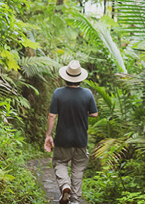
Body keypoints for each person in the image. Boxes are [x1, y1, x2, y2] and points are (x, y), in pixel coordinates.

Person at [44, 60, 98, 204]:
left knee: (60, 163)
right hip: (81, 140)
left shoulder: (58, 93)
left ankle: (65, 186)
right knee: (78, 169)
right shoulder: (87, 94)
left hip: (62, 140)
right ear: (80, 77)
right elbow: (94, 114)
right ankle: (75, 199)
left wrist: (48, 135)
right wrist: (82, 111)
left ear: (65, 77)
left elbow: (52, 116)